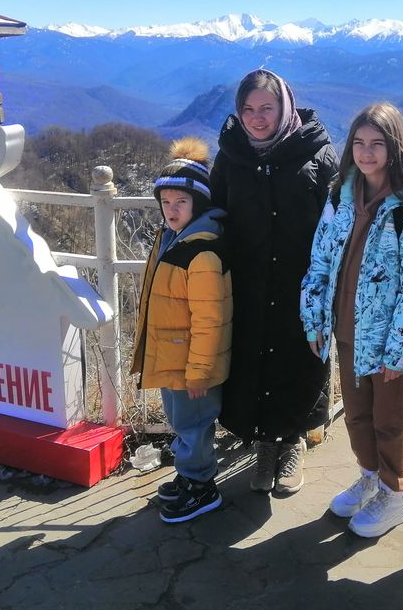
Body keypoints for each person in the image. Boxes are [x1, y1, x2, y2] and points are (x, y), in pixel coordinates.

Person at [300, 103, 403, 538]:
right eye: (359, 142)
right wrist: (314, 319)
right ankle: (370, 478)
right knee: (357, 415)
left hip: (386, 337)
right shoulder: (340, 195)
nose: (367, 152)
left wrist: (400, 349)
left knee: (388, 420)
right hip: (345, 328)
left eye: (377, 143)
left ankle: (395, 494)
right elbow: (320, 258)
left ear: (395, 148)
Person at [211, 69, 339, 494]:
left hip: (301, 284)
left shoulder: (317, 154)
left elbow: (337, 219)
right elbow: (216, 214)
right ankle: (266, 443)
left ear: (285, 107)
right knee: (253, 361)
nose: (257, 118)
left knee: (299, 360)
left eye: (266, 108)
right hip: (247, 282)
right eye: (248, 109)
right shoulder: (231, 156)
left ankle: (293, 440)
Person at [130, 138, 232, 524]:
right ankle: (190, 476)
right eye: (166, 202)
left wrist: (200, 372)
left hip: (192, 363)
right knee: (182, 422)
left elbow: (210, 320)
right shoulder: (172, 238)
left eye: (181, 202)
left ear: (199, 204)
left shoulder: (201, 251)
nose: (172, 210)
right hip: (173, 354)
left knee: (195, 425)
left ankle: (201, 486)